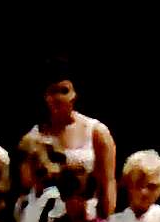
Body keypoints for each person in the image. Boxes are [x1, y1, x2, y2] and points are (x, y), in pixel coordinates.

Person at [30, 72, 119, 207]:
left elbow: (108, 182)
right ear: (46, 97)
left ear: (74, 95)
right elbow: (30, 184)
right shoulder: (35, 136)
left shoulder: (97, 132)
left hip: (87, 212)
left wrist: (106, 216)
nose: (59, 98)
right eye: (53, 92)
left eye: (64, 91)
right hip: (46, 211)